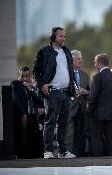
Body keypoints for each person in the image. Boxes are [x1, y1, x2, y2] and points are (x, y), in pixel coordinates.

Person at [33, 27, 77, 159]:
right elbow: (36, 71)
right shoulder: (44, 51)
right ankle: (48, 151)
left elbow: (70, 71)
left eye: (64, 36)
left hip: (66, 92)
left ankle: (63, 151)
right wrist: (42, 84)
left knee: (63, 123)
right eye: (60, 36)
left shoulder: (66, 51)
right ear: (53, 37)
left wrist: (74, 88)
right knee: (50, 122)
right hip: (52, 92)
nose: (63, 38)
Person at [89, 54, 112, 156]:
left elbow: (93, 97)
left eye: (95, 62)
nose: (95, 65)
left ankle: (98, 160)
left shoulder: (97, 77)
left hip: (98, 115)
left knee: (97, 138)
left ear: (99, 63)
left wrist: (90, 111)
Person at [11, 67, 44, 158]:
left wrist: (31, 89)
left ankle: (32, 156)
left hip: (32, 116)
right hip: (21, 115)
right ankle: (21, 156)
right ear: (19, 75)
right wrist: (23, 113)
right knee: (22, 137)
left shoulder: (31, 86)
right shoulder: (15, 84)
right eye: (22, 76)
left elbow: (40, 100)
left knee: (32, 137)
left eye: (26, 76)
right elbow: (16, 100)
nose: (24, 78)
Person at [65, 50, 90, 157]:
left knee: (81, 132)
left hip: (82, 108)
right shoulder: (65, 73)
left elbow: (90, 93)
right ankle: (68, 152)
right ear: (72, 60)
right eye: (78, 59)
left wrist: (85, 91)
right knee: (69, 133)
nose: (80, 61)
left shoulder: (85, 75)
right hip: (69, 107)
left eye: (81, 58)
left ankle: (79, 154)